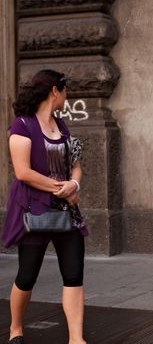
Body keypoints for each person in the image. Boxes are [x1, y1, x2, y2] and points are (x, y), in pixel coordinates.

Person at [3, 70, 88, 344]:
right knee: (27, 276)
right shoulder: (22, 126)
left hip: (67, 213)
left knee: (74, 274)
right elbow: (23, 172)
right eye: (65, 91)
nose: (67, 96)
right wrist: (59, 188)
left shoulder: (62, 126)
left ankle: (76, 338)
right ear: (55, 91)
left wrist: (73, 186)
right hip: (34, 211)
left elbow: (75, 167)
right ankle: (16, 327)